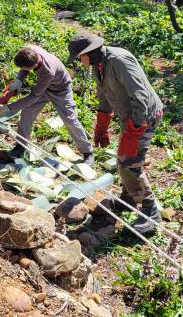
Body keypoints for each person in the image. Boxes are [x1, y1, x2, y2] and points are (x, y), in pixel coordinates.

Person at [67, 32, 164, 235]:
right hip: (128, 117)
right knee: (124, 160)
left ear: (88, 53)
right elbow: (104, 96)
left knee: (129, 162)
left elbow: (140, 96)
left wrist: (134, 130)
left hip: (145, 116)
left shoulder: (119, 60)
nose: (79, 61)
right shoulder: (98, 66)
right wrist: (101, 125)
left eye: (79, 57)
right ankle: (129, 197)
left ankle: (151, 212)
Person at [0, 45, 94, 165]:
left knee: (70, 119)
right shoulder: (29, 50)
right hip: (45, 89)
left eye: (24, 68)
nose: (23, 69)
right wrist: (19, 79)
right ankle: (20, 146)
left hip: (61, 91)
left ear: (33, 66)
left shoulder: (48, 71)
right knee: (27, 113)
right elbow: (24, 69)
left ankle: (87, 152)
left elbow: (34, 96)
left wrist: (9, 108)